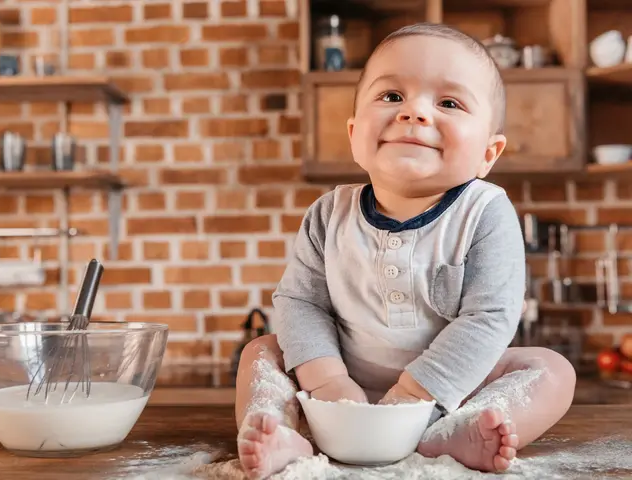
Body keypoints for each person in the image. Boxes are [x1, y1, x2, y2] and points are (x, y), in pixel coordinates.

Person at [233, 22, 576, 480]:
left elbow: (490, 316)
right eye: (392, 96)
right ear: (355, 134)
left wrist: (416, 394)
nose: (414, 112)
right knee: (261, 351)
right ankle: (286, 433)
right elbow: (300, 303)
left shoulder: (485, 213)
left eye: (448, 103)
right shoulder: (327, 214)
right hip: (336, 394)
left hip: (448, 395)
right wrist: (327, 383)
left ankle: (458, 435)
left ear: (488, 155)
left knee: (551, 370)